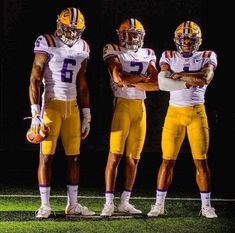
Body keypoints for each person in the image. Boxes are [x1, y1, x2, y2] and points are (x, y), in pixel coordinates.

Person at [28, 7, 95, 218]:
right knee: (46, 156)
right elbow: (35, 79)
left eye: (75, 30)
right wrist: (35, 112)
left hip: (72, 106)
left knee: (74, 158)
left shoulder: (83, 47)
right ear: (59, 25)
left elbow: (82, 83)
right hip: (51, 105)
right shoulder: (46, 42)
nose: (71, 33)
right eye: (67, 29)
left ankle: (73, 205)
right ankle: (45, 205)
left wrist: (87, 114)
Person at [147, 21, 218, 218]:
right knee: (167, 161)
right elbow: (162, 82)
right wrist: (188, 80)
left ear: (198, 41)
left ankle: (206, 206)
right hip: (174, 114)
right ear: (177, 40)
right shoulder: (169, 55)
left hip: (197, 113)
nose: (186, 43)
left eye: (190, 40)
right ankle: (158, 205)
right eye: (183, 39)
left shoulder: (207, 55)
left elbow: (205, 78)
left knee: (201, 162)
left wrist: (178, 75)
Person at [100, 18, 159, 217]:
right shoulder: (113, 49)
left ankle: (125, 201)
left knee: (134, 158)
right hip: (122, 105)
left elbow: (157, 83)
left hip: (139, 108)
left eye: (136, 34)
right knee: (114, 155)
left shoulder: (148, 53)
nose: (132, 38)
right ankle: (108, 202)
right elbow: (119, 78)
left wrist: (133, 81)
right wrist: (143, 79)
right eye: (128, 34)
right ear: (120, 35)